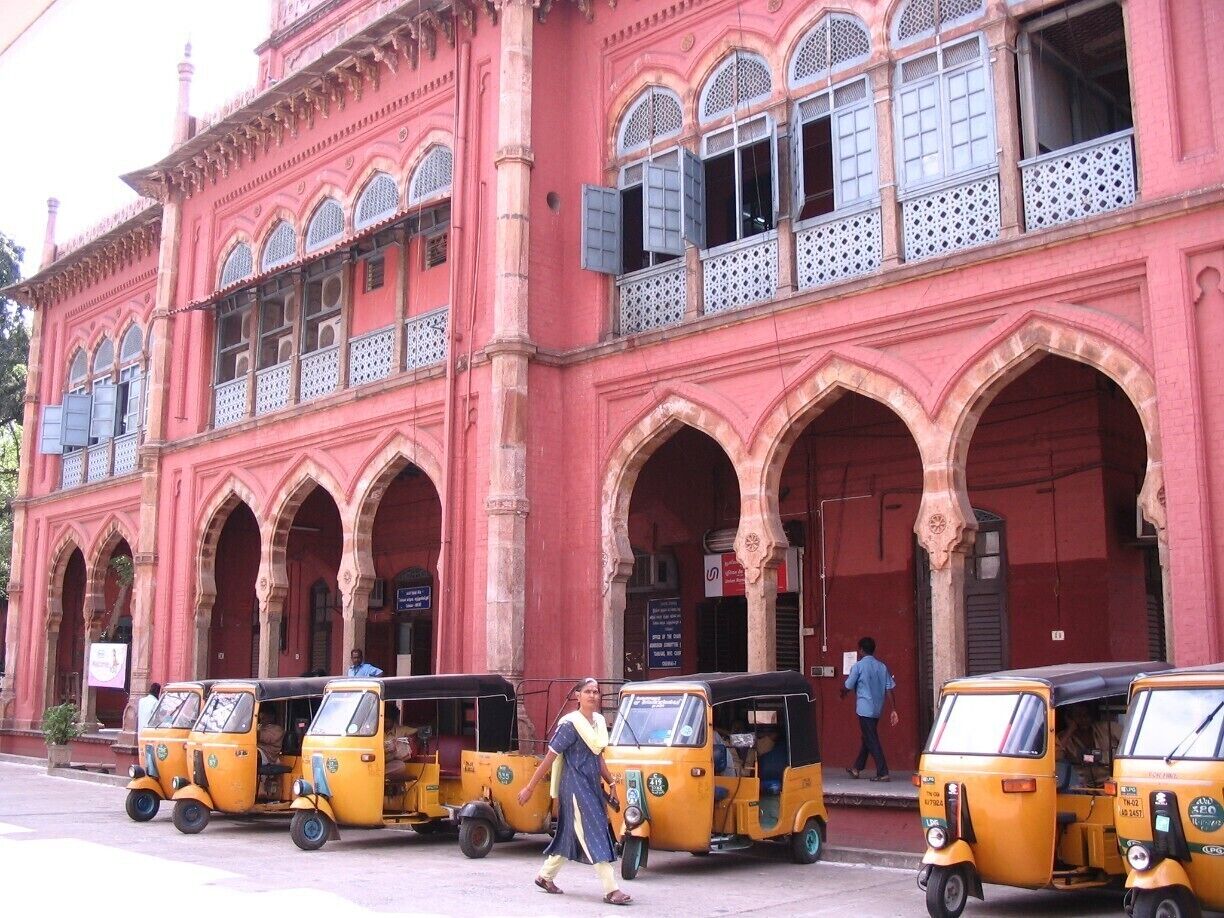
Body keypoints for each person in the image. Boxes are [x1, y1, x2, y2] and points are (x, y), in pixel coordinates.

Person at [517, 678, 631, 907]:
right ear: (577, 696)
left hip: (592, 786)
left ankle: (544, 876)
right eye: (587, 691)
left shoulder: (598, 723)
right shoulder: (570, 725)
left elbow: (598, 757)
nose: (592, 695)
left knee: (571, 832)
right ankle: (611, 889)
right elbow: (549, 758)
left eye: (596, 691)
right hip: (574, 787)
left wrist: (611, 784)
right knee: (596, 830)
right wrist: (529, 787)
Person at [840, 636, 899, 782]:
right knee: (867, 737)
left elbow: (847, 686)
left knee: (871, 739)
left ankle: (883, 772)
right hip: (877, 709)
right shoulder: (882, 666)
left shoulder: (858, 666)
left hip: (864, 709)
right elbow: (889, 689)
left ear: (860, 650)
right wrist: (893, 709)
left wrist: (842, 694)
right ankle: (856, 768)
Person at [1057, 703, 1118, 787]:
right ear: (1069, 718)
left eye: (1086, 715)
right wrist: (1070, 729)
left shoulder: (1109, 728)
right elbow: (1055, 756)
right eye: (1078, 715)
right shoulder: (1064, 737)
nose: (1084, 719)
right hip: (1083, 788)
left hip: (1113, 783)